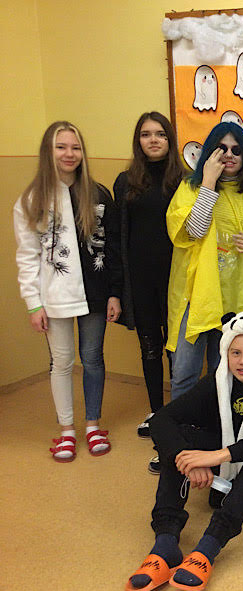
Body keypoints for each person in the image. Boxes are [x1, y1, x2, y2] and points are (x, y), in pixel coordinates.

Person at [125, 310, 243, 591]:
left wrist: (219, 456)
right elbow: (162, 420)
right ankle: (165, 544)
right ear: (225, 353)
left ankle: (208, 548)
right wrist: (188, 459)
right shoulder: (216, 381)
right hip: (227, 466)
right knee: (180, 441)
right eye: (236, 353)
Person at [13, 121, 122, 463]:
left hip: (95, 294)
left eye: (75, 147)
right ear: (48, 151)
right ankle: (67, 430)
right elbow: (27, 256)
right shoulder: (32, 200)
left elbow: (112, 248)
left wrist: (114, 293)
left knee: (92, 358)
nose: (69, 154)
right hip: (55, 298)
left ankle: (93, 425)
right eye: (61, 147)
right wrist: (34, 304)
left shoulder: (98, 195)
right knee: (61, 362)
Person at [165, 122, 243, 402]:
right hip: (198, 294)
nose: (229, 155)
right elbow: (194, 231)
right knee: (185, 370)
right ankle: (180, 424)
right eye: (222, 148)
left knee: (223, 370)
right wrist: (209, 182)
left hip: (237, 294)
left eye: (236, 150)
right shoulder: (192, 187)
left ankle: (217, 424)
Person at [113, 112, 185, 446]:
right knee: (150, 347)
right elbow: (119, 235)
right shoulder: (125, 181)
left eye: (160, 134)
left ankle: (178, 411)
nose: (153, 140)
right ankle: (156, 410)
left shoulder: (184, 180)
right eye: (146, 134)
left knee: (176, 349)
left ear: (170, 140)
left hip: (175, 280)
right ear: (138, 141)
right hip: (140, 280)